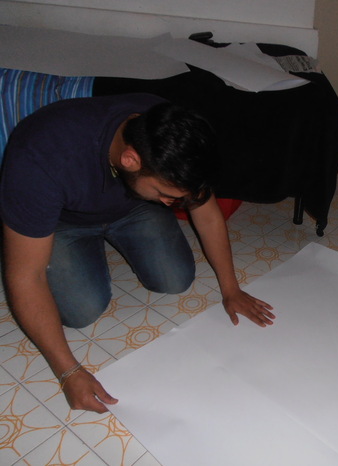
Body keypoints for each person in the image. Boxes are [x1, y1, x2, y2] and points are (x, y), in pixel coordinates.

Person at [0, 93, 275, 413]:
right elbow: (26, 276)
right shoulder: (40, 159)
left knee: (175, 279)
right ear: (130, 159)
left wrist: (231, 289)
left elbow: (208, 215)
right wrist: (68, 372)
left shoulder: (168, 134)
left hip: (132, 206)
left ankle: (126, 219)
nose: (174, 205)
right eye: (167, 195)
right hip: (62, 221)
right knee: (82, 310)